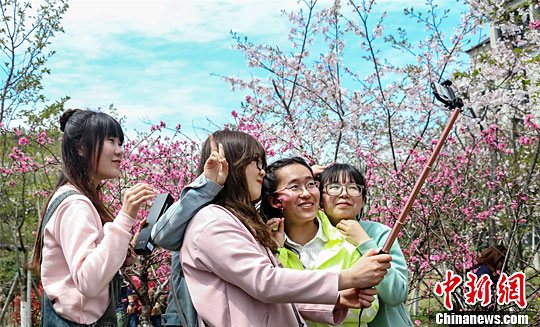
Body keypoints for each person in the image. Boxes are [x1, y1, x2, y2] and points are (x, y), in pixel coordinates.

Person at [179, 130, 392, 327]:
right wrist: (348, 278)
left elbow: (274, 298)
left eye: (311, 184)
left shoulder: (235, 221)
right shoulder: (215, 223)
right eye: (256, 162)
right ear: (233, 165)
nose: (262, 171)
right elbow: (265, 282)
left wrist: (336, 300)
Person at [30, 109, 155, 326]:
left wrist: (126, 249)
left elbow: (90, 266)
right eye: (110, 141)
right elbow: (88, 281)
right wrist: (125, 217)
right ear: (80, 148)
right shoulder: (75, 204)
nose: (120, 151)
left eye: (120, 142)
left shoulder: (77, 198)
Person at [259, 157, 379, 327]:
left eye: (310, 184)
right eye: (294, 187)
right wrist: (337, 298)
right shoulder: (267, 248)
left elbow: (369, 308)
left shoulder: (347, 240)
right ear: (274, 200)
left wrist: (297, 298)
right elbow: (265, 300)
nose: (306, 193)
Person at [318, 163, 413, 327]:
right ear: (320, 197)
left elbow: (396, 294)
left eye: (353, 188)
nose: (344, 194)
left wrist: (365, 242)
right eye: (334, 187)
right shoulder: (313, 236)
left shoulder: (380, 233)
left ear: (363, 199)